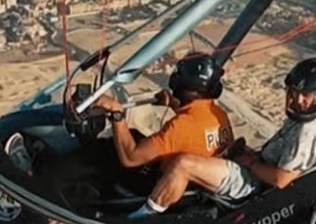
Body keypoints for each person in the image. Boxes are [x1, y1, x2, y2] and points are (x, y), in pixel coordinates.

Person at [128, 57, 316, 219]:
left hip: (255, 185)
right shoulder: (310, 119)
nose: (298, 100)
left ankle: (144, 216)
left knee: (184, 163)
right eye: (294, 93)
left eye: (306, 96)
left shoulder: (309, 129)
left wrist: (251, 163)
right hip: (256, 171)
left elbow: (281, 180)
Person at [91, 51, 234, 172]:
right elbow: (194, 130)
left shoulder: (180, 127)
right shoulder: (219, 115)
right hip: (195, 187)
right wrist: (174, 105)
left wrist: (116, 113)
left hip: (159, 186)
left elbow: (130, 159)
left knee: (105, 151)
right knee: (133, 135)